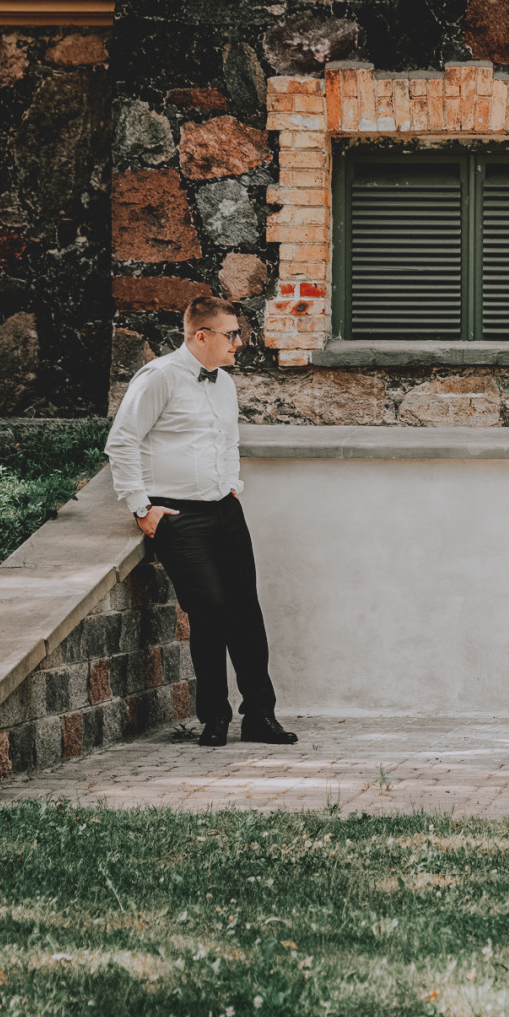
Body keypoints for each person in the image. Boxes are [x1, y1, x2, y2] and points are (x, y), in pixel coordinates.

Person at [104, 296, 299, 748]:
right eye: (232, 335)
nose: (239, 343)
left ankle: (260, 717)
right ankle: (214, 717)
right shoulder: (158, 378)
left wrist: (232, 483)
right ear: (201, 336)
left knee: (246, 614)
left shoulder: (225, 382)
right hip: (178, 515)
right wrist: (140, 507)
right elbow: (122, 442)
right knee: (210, 613)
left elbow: (228, 440)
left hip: (225, 511)